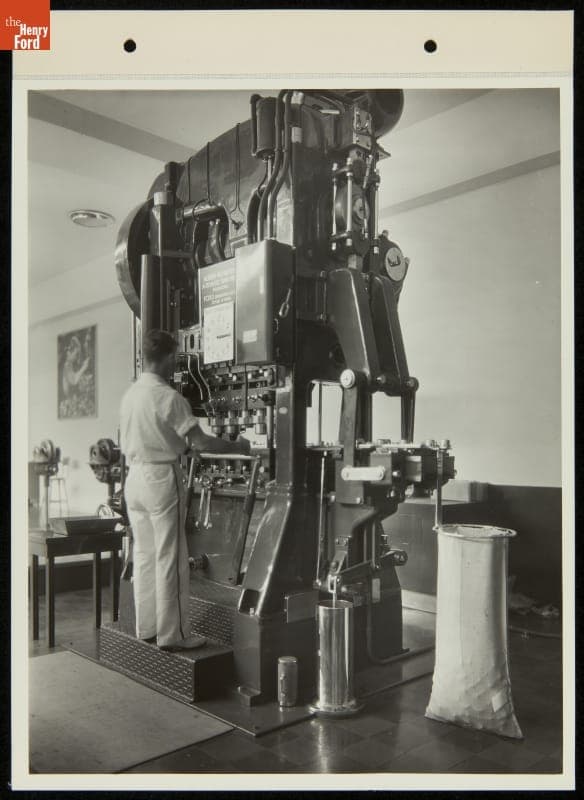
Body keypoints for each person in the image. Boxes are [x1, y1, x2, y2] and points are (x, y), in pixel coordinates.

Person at [120, 329, 250, 651]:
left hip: (133, 478)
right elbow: (202, 442)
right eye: (174, 358)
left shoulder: (131, 395)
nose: (175, 364)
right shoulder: (167, 397)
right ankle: (174, 635)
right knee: (171, 559)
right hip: (160, 477)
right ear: (167, 358)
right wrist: (239, 445)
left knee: (144, 555)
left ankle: (147, 628)